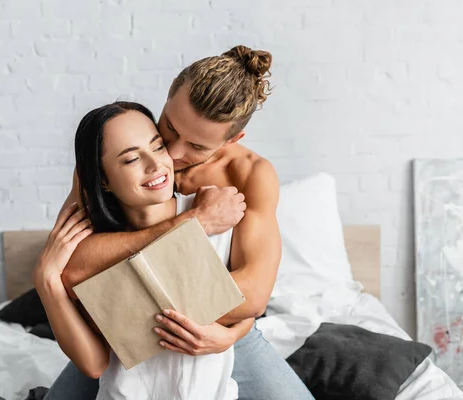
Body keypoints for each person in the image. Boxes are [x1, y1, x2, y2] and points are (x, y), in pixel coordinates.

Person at [43, 45, 314, 400]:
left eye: (197, 147)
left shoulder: (249, 174)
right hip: (117, 328)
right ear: (169, 94)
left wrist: (234, 333)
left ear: (233, 139)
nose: (170, 154)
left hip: (212, 330)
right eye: (169, 128)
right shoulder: (114, 158)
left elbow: (251, 297)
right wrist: (192, 223)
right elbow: (71, 263)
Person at [35, 102, 253, 399]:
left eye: (159, 147)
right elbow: (95, 363)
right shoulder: (98, 252)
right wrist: (47, 281)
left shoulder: (218, 215)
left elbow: (249, 305)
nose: (155, 166)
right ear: (103, 179)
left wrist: (229, 336)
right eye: (131, 159)